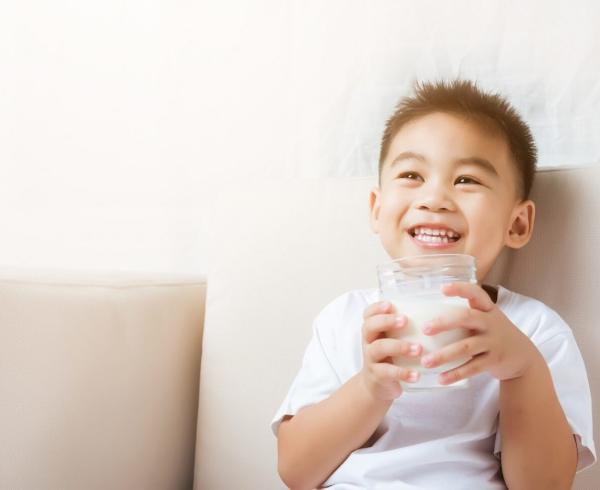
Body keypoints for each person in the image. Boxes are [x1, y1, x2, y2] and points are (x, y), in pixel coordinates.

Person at [271, 80, 596, 489]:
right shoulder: (345, 320)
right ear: (377, 209)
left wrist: (522, 371)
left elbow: (545, 485)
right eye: (411, 175)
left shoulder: (534, 330)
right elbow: (296, 471)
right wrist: (371, 387)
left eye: (466, 181)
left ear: (517, 223)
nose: (434, 198)